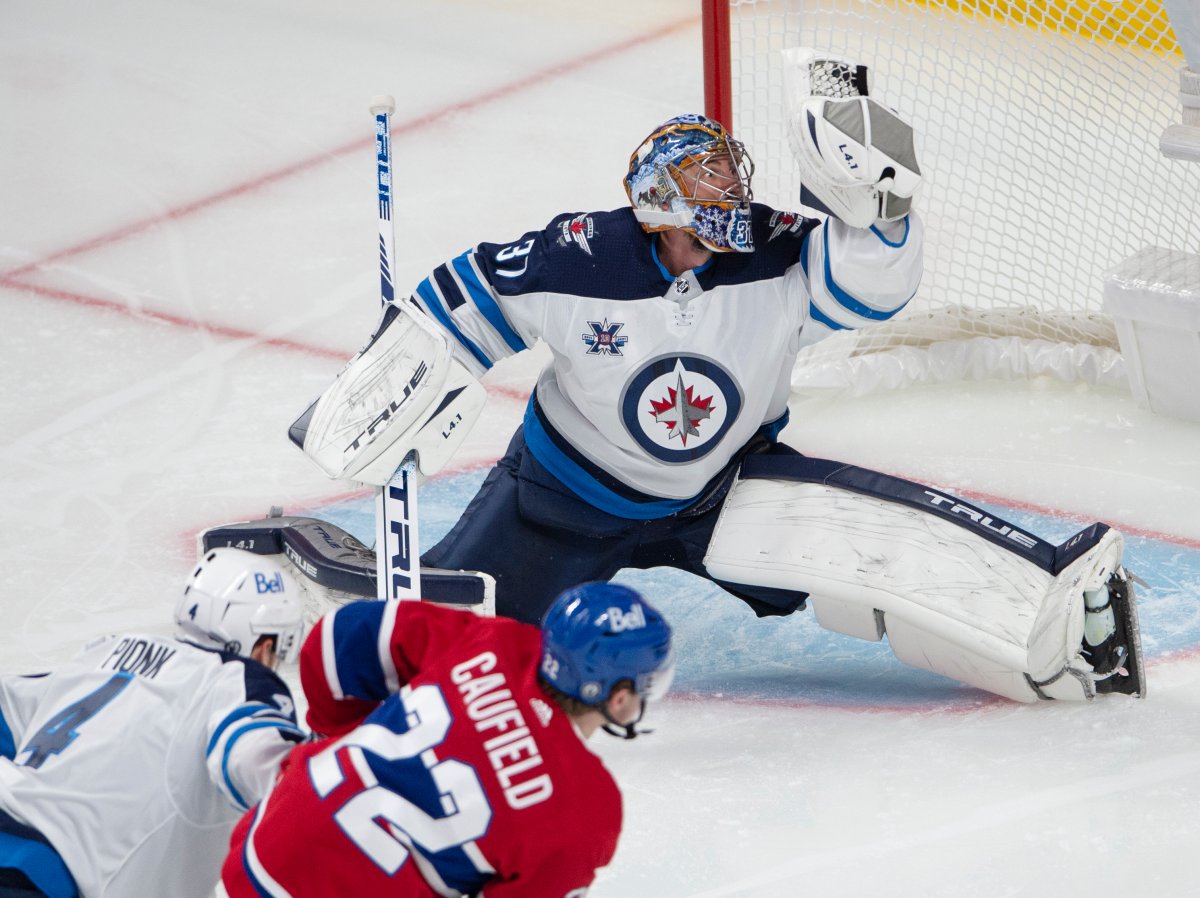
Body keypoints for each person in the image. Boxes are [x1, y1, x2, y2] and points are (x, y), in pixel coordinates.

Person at [293, 59, 1142, 702]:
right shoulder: (578, 255)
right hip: (561, 500)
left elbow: (871, 288)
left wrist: (881, 205)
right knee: (445, 649)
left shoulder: (775, 252)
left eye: (730, 173)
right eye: (706, 183)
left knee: (880, 548)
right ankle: (283, 605)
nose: (730, 192)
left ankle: (1059, 624)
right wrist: (397, 375)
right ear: (657, 202)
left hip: (726, 491)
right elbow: (460, 298)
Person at [218, 580, 674, 897]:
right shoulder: (586, 806)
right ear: (617, 697)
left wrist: (337, 739)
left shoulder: (497, 643)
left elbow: (339, 638)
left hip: (262, 846)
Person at [0, 548, 306, 898]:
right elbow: (253, 760)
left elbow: (8, 705)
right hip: (40, 879)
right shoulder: (236, 681)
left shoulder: (107, 650)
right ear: (264, 646)